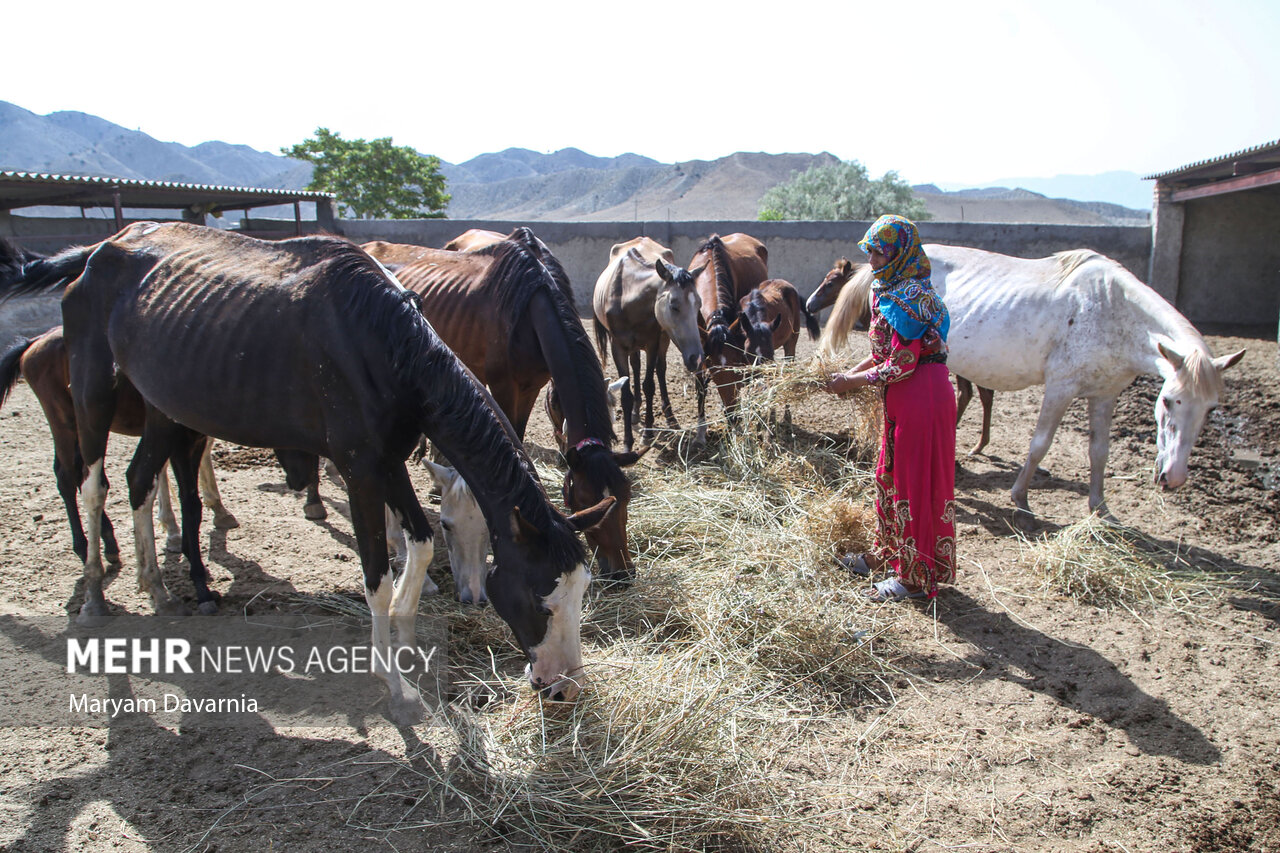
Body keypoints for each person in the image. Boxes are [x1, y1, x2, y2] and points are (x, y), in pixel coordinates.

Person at [823, 215, 957, 602]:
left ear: (899, 253)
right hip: (903, 397)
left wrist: (851, 383)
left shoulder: (909, 297)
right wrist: (848, 373)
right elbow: (882, 353)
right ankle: (888, 555)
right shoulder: (894, 289)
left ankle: (913, 579)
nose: (874, 261)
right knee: (889, 477)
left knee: (913, 486)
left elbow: (902, 363)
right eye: (872, 252)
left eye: (880, 253)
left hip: (921, 396)